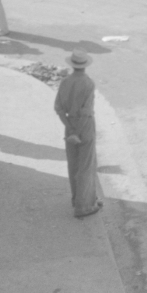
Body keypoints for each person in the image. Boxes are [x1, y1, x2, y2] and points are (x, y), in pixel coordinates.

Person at [54, 50, 102, 218]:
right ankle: (84, 205)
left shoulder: (65, 82)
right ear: (85, 65)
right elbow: (86, 111)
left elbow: (59, 109)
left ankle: (80, 199)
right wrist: (79, 131)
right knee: (86, 166)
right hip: (85, 126)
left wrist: (71, 130)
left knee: (73, 164)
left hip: (69, 125)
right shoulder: (88, 83)